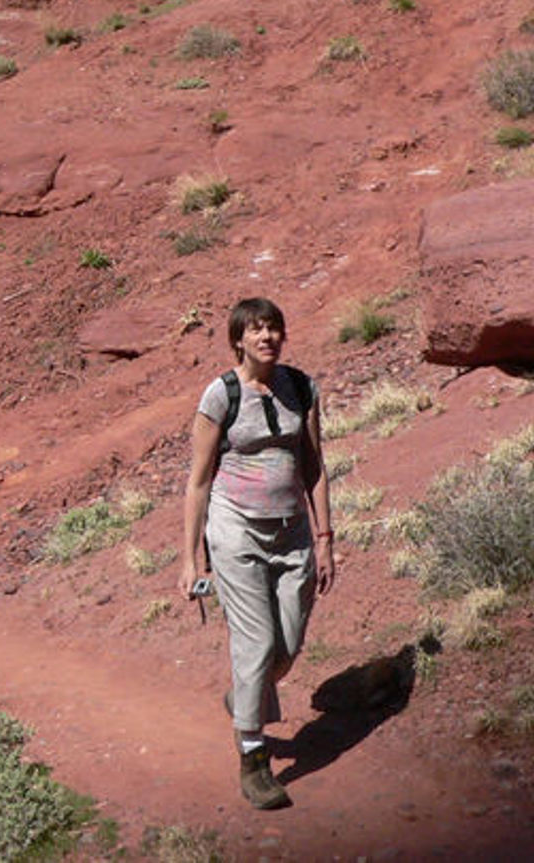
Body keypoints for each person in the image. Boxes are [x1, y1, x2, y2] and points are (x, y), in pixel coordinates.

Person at [179, 297, 334, 810]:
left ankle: (244, 696)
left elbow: (313, 468)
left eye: (274, 329)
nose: (268, 337)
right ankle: (253, 760)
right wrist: (190, 560)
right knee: (257, 641)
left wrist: (325, 538)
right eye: (257, 329)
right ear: (238, 339)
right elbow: (199, 481)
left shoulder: (301, 387)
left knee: (284, 647)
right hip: (234, 529)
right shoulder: (219, 394)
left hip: (292, 533)